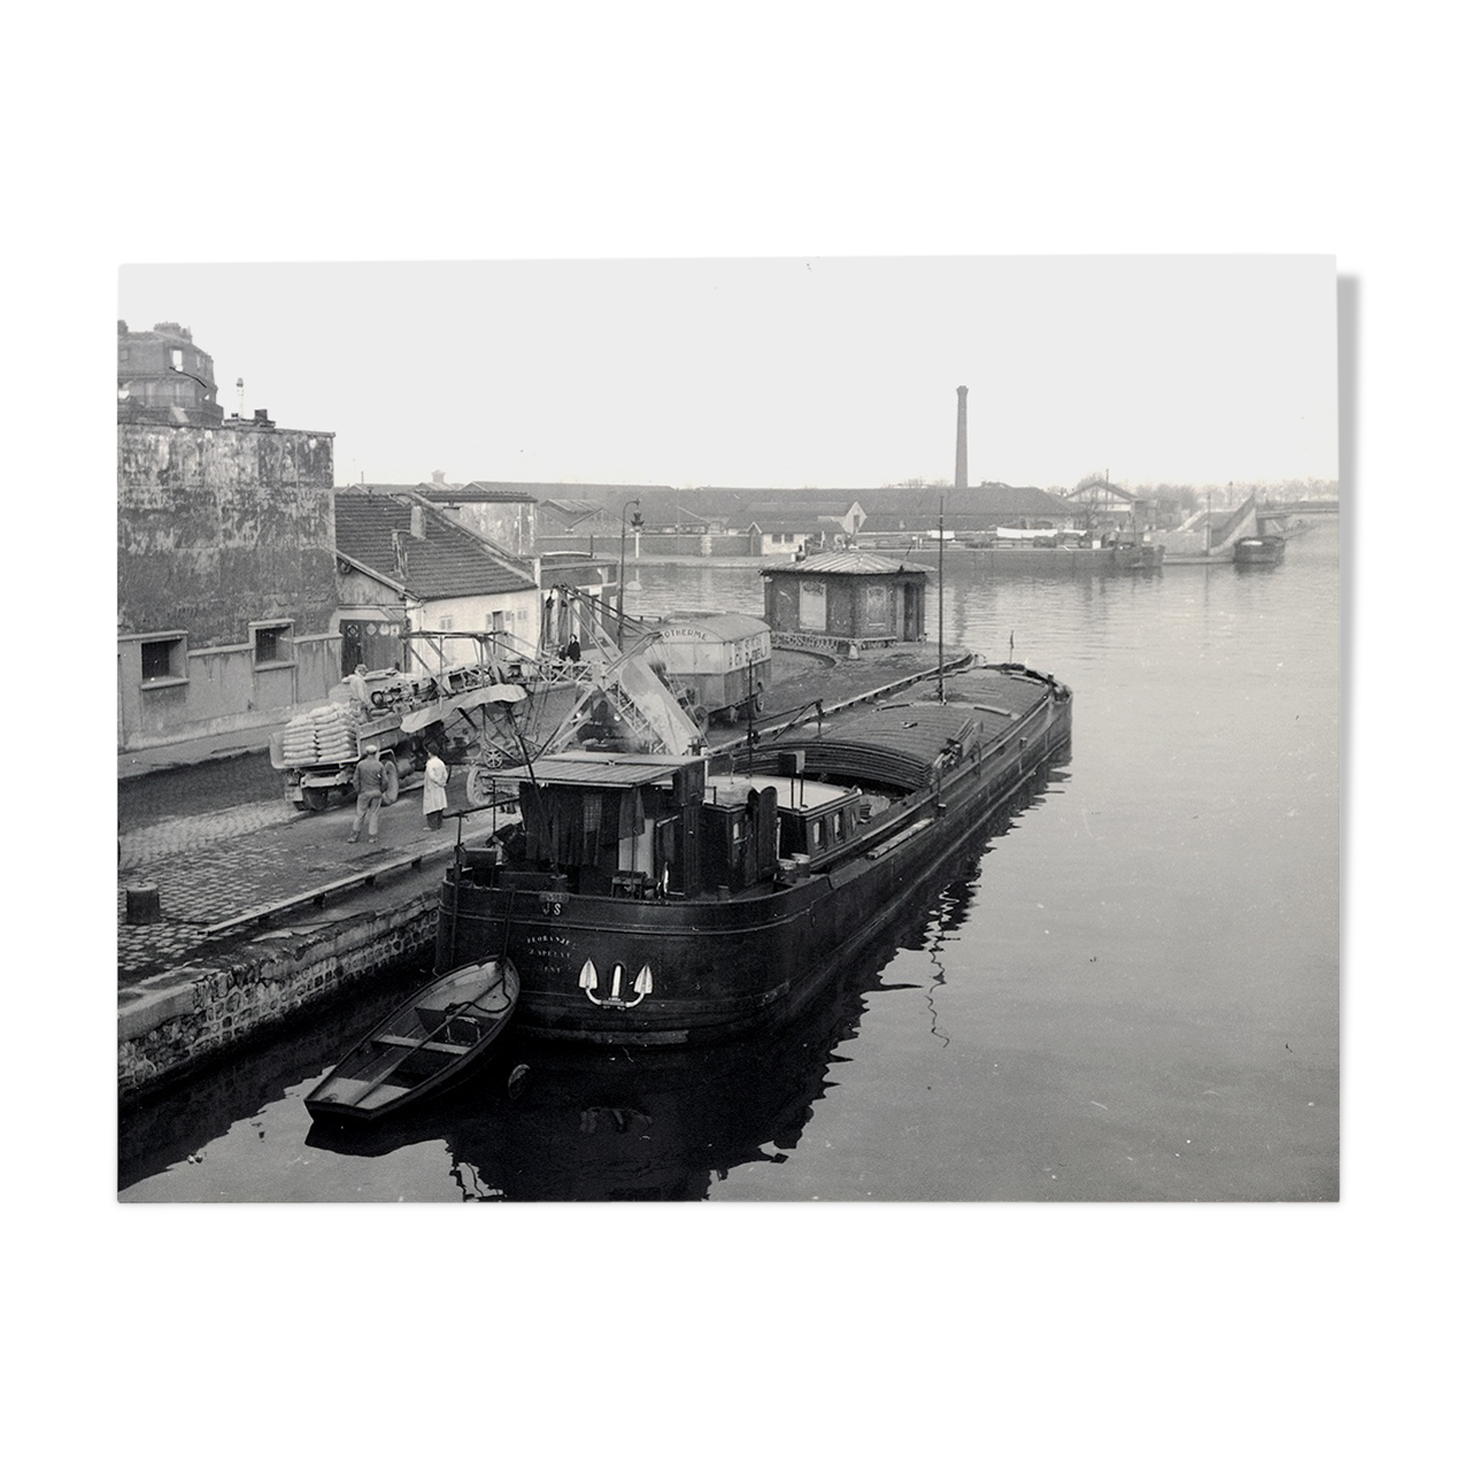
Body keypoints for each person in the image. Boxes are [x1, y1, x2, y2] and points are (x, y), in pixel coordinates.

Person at [347, 743, 386, 844]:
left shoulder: (360, 765)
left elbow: (355, 780)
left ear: (366, 753)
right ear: (375, 753)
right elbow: (385, 781)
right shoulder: (379, 765)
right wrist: (381, 790)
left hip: (364, 792)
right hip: (376, 792)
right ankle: (372, 837)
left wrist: (359, 790)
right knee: (374, 814)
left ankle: (354, 836)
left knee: (360, 814)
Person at [423, 745, 450, 830]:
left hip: (432, 787)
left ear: (430, 753)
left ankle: (432, 826)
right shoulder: (440, 762)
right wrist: (442, 782)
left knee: (431, 806)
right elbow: (445, 774)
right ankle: (439, 824)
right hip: (440, 787)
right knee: (439, 805)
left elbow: (431, 776)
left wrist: (437, 781)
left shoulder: (430, 764)